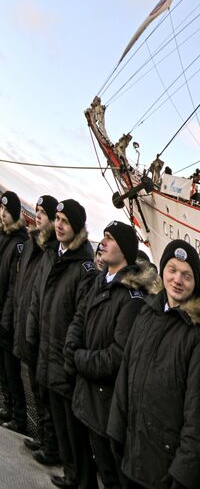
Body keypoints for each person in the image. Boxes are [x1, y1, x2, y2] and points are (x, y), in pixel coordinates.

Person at [109, 239, 200, 489]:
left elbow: (199, 414)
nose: (177, 280)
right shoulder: (147, 312)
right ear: (163, 271)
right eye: (172, 270)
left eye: (186, 275)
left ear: (196, 282)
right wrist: (116, 431)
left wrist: (182, 474)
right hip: (133, 451)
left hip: (166, 468)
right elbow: (126, 372)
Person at [65, 221, 152, 489]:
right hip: (87, 390)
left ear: (124, 250)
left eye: (110, 238)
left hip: (105, 401)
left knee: (110, 472)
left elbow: (117, 355)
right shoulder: (101, 281)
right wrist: (71, 345)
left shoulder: (132, 298)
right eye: (103, 236)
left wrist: (78, 359)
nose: (103, 242)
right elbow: (80, 317)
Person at [35, 199, 99, 489]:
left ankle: (82, 479)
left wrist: (69, 353)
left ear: (77, 228)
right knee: (59, 421)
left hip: (64, 353)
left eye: (66, 221)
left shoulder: (83, 266)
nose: (59, 225)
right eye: (58, 219)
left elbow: (80, 316)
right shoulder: (56, 255)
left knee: (73, 427)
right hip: (49, 348)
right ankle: (71, 474)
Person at [11, 195, 59, 465]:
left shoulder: (51, 251)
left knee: (42, 392)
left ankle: (50, 445)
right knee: (34, 385)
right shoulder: (32, 244)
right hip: (26, 324)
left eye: (43, 212)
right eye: (37, 210)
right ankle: (42, 437)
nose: (38, 215)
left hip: (41, 332)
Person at [0, 191, 31, 434]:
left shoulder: (19, 243)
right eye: (1, 210)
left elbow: (13, 286)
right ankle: (8, 407)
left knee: (11, 370)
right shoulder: (4, 237)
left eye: (6, 211)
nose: (2, 214)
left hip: (6, 318)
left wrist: (6, 320)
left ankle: (19, 417)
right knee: (2, 369)